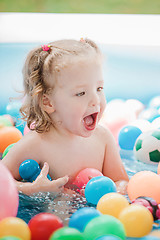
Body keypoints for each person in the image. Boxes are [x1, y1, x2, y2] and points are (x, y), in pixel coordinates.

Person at [2, 38, 129, 195]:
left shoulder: (102, 138)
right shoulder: (36, 145)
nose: (95, 100)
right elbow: (2, 180)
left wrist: (116, 191)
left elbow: (121, 180)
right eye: (81, 93)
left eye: (99, 88)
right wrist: (31, 189)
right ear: (48, 102)